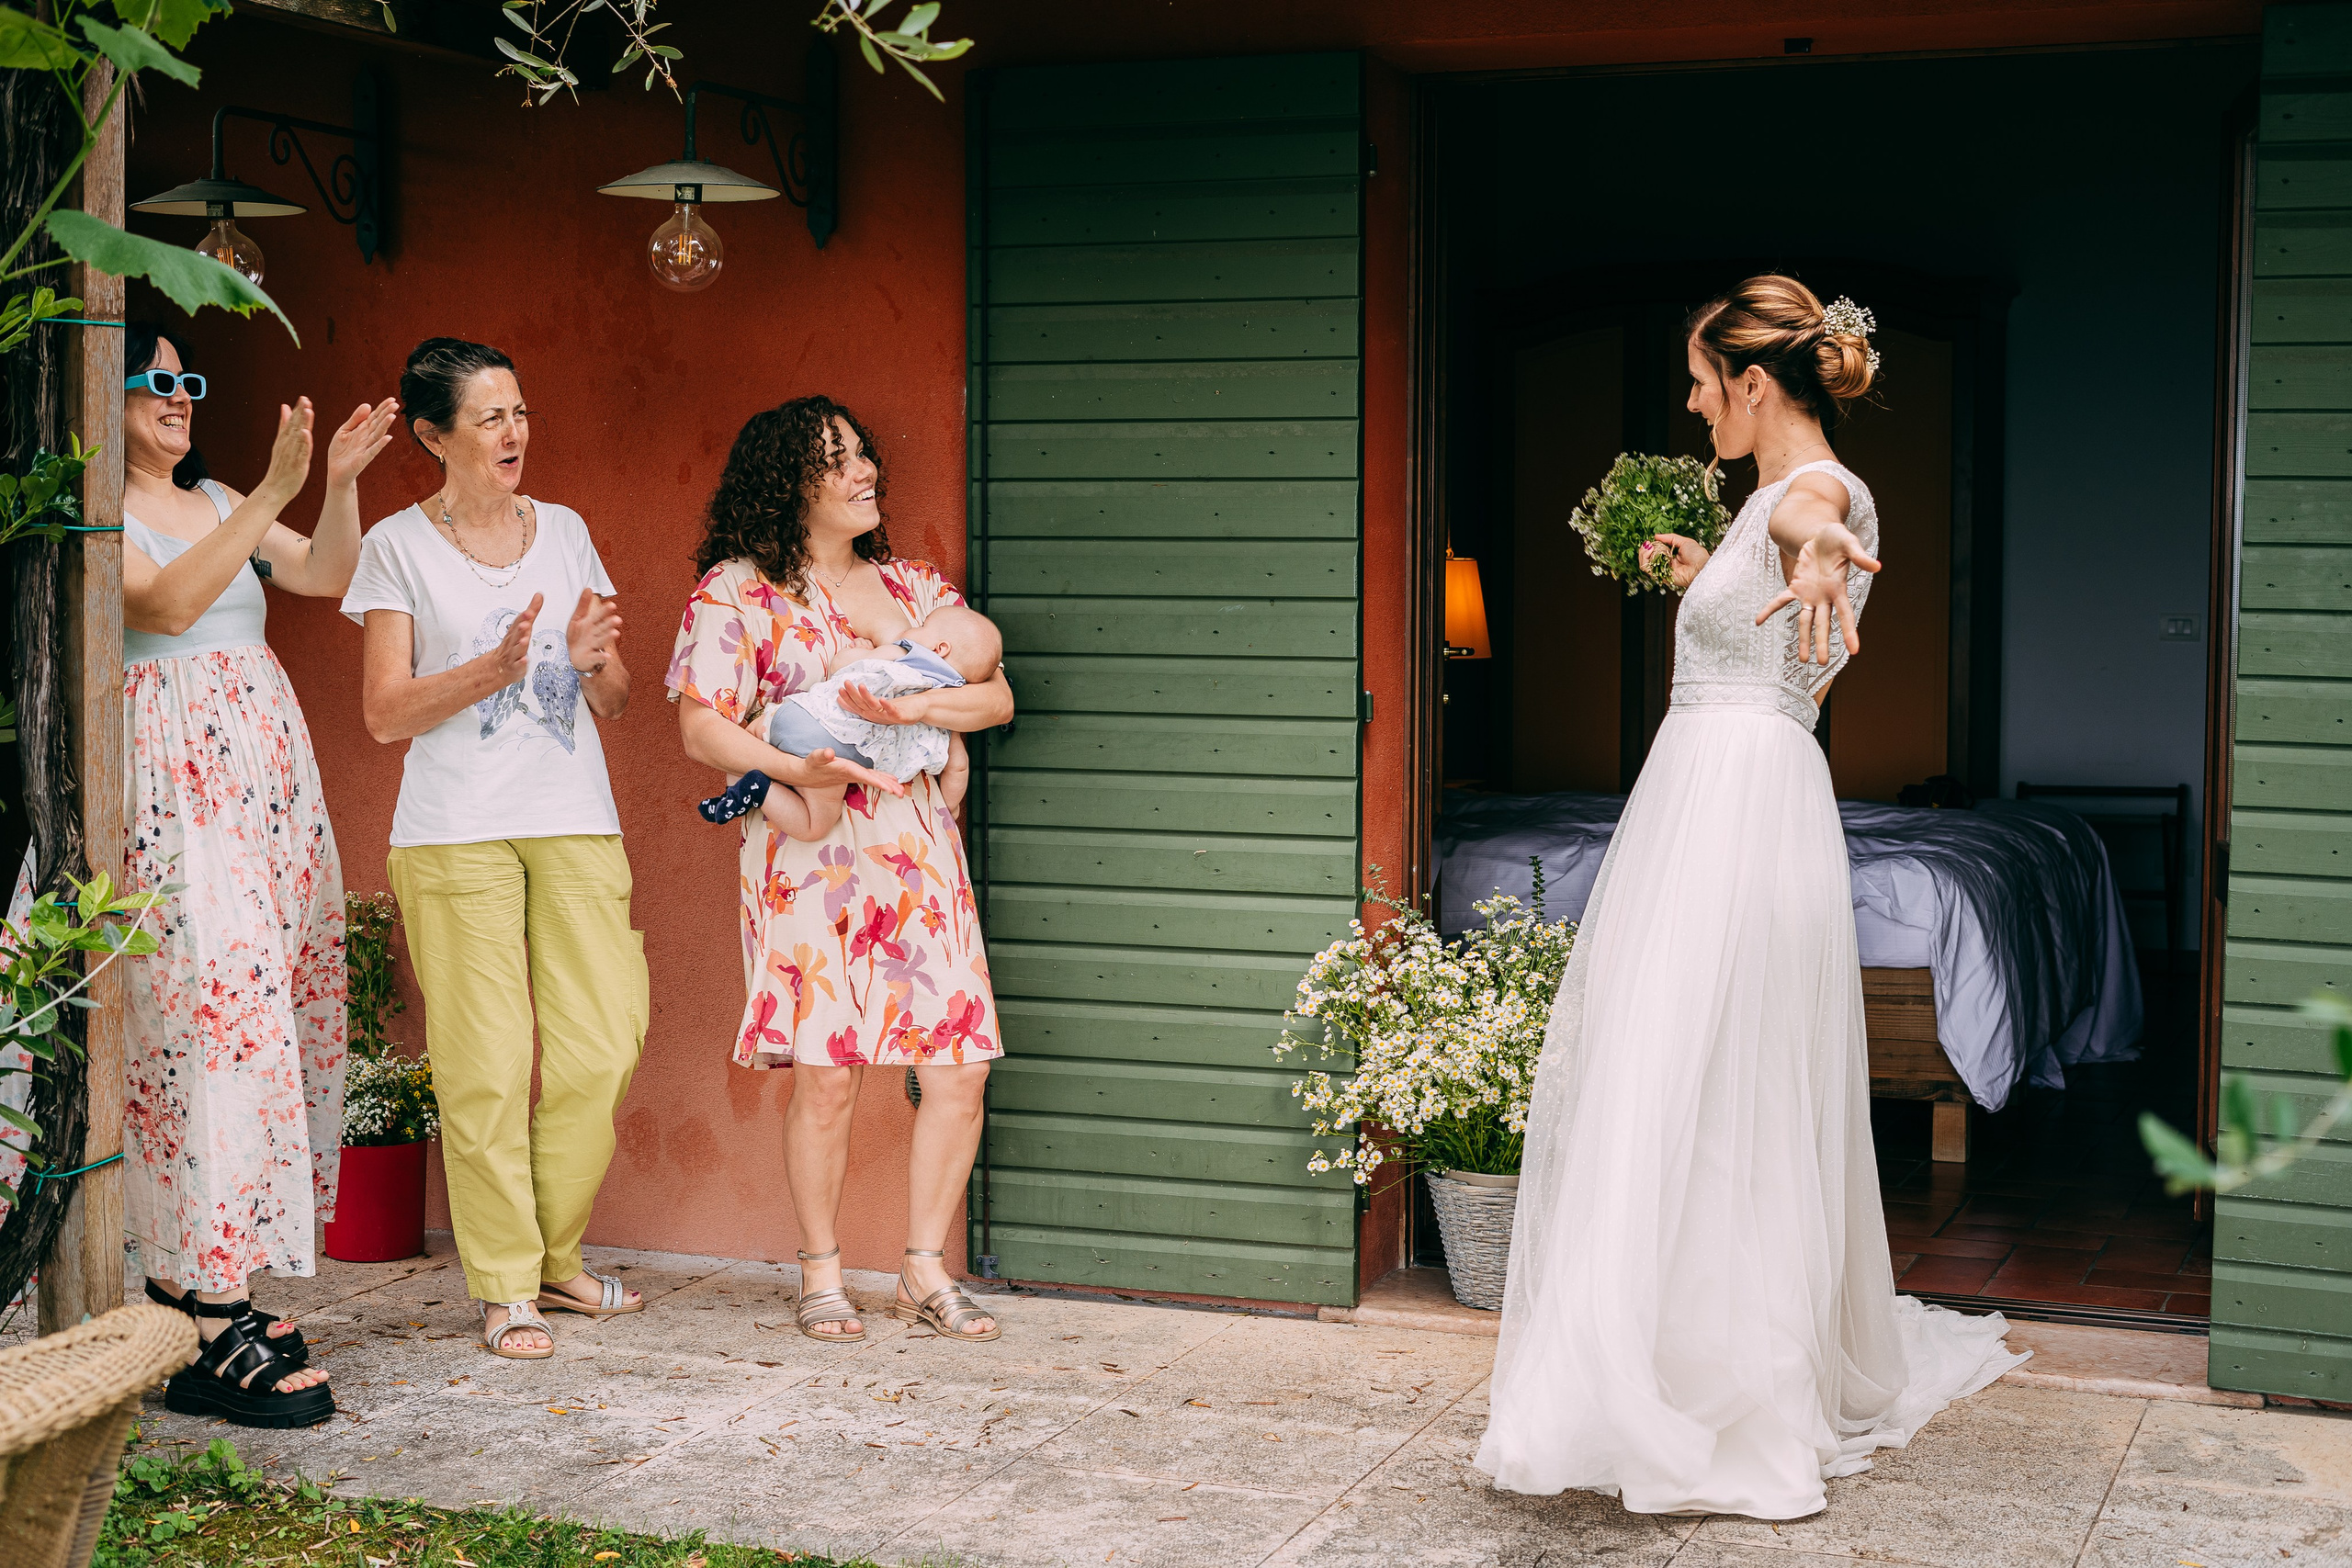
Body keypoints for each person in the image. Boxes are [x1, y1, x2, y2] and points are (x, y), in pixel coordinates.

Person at [1474, 277, 2027, 1518]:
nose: (1689, 401)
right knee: (1681, 1066)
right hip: (1711, 795)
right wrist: (1698, 570)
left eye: (1698, 380)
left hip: (1740, 799)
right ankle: (1661, 1355)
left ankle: (1732, 1389)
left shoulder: (1813, 496)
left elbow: (1821, 520)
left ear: (1753, 385)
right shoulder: (1756, 510)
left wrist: (1820, 543)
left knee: (1710, 1070)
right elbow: (1761, 605)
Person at [671, 396, 1012, 1345]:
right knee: (826, 1077)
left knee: (959, 1069)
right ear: (787, 483)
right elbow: (702, 723)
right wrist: (795, 768)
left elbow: (996, 696)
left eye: (862, 452)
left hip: (914, 849)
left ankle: (921, 1271)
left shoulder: (913, 588)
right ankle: (821, 1274)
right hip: (809, 851)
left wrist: (921, 718)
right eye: (836, 460)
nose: (863, 470)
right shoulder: (735, 590)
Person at [342, 337, 650, 1361]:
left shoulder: (564, 531)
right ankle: (510, 1284)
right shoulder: (396, 545)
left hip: (572, 811)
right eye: (489, 417)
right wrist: (492, 667)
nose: (513, 432)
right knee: (485, 1063)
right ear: (433, 435)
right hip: (453, 827)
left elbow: (603, 694)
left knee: (605, 1042)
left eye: (520, 411)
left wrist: (595, 664)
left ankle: (554, 1255)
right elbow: (385, 712)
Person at [119, 321, 400, 1427]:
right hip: (176, 794)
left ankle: (201, 1278)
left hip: (259, 790)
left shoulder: (220, 491)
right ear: (110, 397)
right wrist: (267, 490)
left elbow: (325, 572)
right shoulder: (106, 508)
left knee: (259, 1016)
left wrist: (326, 483)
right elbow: (167, 606)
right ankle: (200, 1307)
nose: (179, 396)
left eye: (189, 380)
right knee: (201, 1029)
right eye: (155, 381)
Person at [696, 602, 1000, 835]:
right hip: (833, 751)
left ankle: (735, 787)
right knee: (814, 825)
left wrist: (859, 650)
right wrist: (950, 807)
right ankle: (759, 790)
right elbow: (958, 766)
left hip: (799, 714)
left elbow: (841, 668)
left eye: (922, 625)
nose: (914, 629)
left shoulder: (903, 656)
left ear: (939, 648)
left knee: (743, 747)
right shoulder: (950, 713)